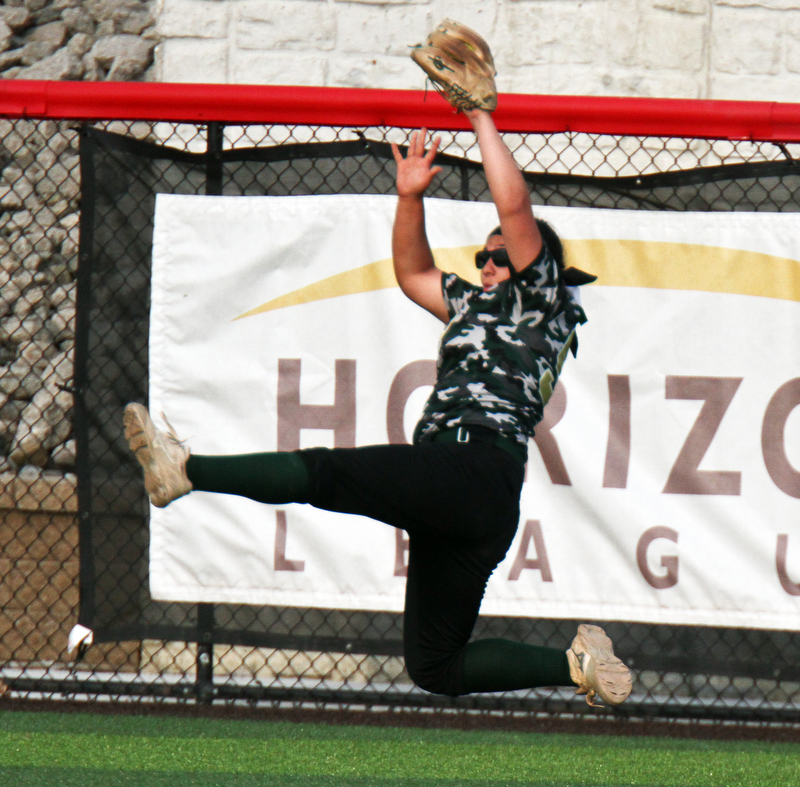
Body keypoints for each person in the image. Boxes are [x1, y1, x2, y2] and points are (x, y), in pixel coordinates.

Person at [124, 106, 632, 708]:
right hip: (478, 496)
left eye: (501, 256)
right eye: (484, 257)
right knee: (436, 664)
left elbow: (516, 211)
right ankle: (576, 666)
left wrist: (479, 117)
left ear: (533, 264)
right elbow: (414, 271)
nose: (488, 262)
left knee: (327, 475)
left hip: (470, 467)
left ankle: (187, 471)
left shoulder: (541, 300)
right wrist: (410, 198)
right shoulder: (475, 305)